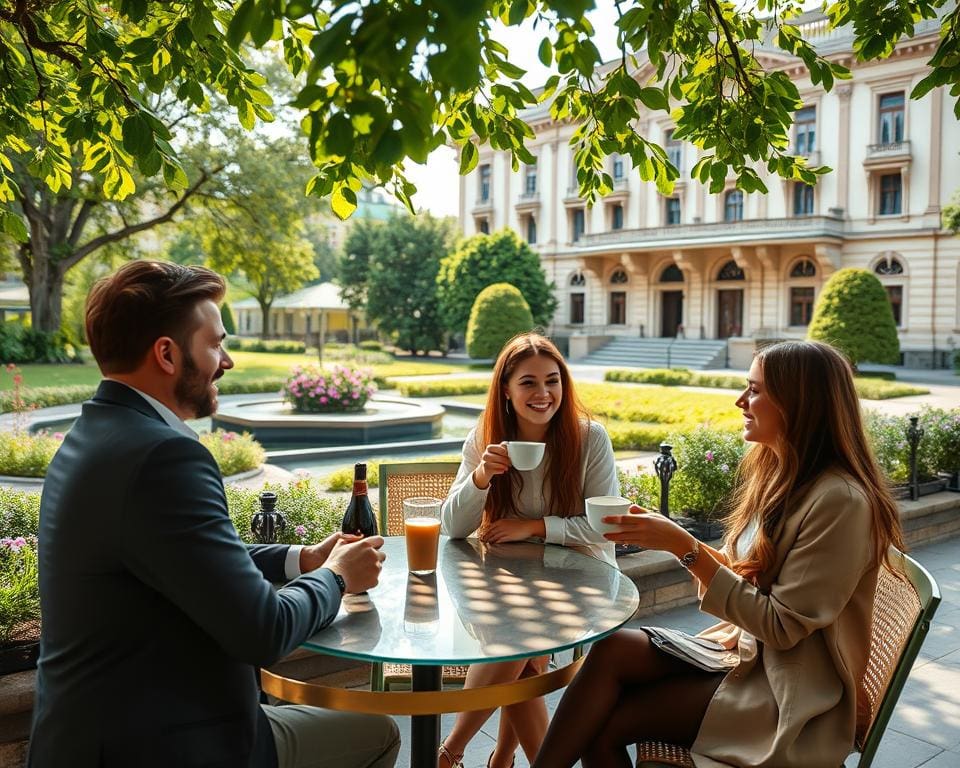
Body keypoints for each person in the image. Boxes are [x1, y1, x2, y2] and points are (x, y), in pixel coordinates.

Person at [28, 261, 400, 768]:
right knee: (378, 733)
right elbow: (263, 631)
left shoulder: (94, 432)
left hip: (92, 734)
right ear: (166, 353)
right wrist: (337, 577)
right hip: (169, 744)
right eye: (215, 343)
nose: (226, 360)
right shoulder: (165, 456)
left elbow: (178, 554)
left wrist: (302, 560)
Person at [532, 339, 906, 768]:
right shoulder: (782, 473)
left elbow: (781, 627)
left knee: (605, 723)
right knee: (612, 650)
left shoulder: (841, 501)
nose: (740, 401)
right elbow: (749, 579)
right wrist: (672, 539)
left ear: (799, 402)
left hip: (786, 693)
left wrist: (684, 547)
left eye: (755, 389)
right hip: (748, 658)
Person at [439, 332, 619, 768]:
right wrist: (480, 477)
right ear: (505, 388)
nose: (543, 394)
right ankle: (502, 758)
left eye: (552, 381)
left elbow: (606, 530)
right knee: (521, 652)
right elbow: (453, 528)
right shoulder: (484, 439)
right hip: (508, 581)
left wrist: (537, 526)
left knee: (512, 642)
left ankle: (449, 752)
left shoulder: (589, 439)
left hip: (582, 580)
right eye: (528, 383)